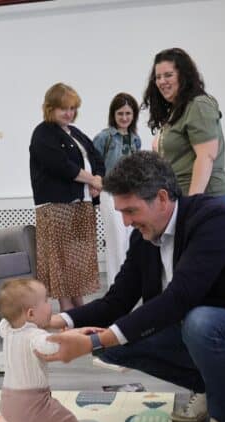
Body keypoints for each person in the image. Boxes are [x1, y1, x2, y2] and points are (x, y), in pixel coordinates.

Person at [40, 151, 225, 422]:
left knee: (199, 322)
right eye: (121, 212)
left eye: (131, 210)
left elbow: (180, 297)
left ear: (162, 198)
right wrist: (54, 320)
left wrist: (93, 341)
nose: (126, 222)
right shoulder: (143, 237)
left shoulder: (215, 220)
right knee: (110, 349)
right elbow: (116, 302)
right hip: (195, 331)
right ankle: (206, 388)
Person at [29, 83, 105, 312]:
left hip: (82, 203)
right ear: (50, 108)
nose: (69, 113)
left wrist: (98, 179)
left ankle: (78, 307)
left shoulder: (75, 132)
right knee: (61, 259)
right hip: (57, 206)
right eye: (64, 108)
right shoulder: (43, 133)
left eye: (72, 108)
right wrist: (91, 180)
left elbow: (96, 157)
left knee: (76, 259)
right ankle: (67, 309)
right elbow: (61, 165)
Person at [0, 278, 81, 422]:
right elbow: (51, 346)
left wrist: (12, 310)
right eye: (46, 300)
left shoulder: (7, 330)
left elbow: (5, 320)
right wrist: (66, 337)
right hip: (33, 405)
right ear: (31, 314)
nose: (50, 304)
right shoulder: (35, 336)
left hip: (8, 406)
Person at [143, 48, 225, 207]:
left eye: (168, 75)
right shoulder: (176, 110)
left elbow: (206, 157)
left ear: (183, 76)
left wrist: (192, 204)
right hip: (181, 196)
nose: (162, 81)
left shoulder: (198, 104)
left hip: (205, 198)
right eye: (158, 77)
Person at [93, 93, 142, 286]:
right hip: (110, 192)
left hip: (131, 193)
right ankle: (116, 286)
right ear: (113, 114)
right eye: (120, 113)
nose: (124, 117)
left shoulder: (135, 139)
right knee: (116, 240)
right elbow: (94, 165)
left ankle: (130, 284)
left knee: (130, 239)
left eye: (128, 113)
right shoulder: (104, 137)